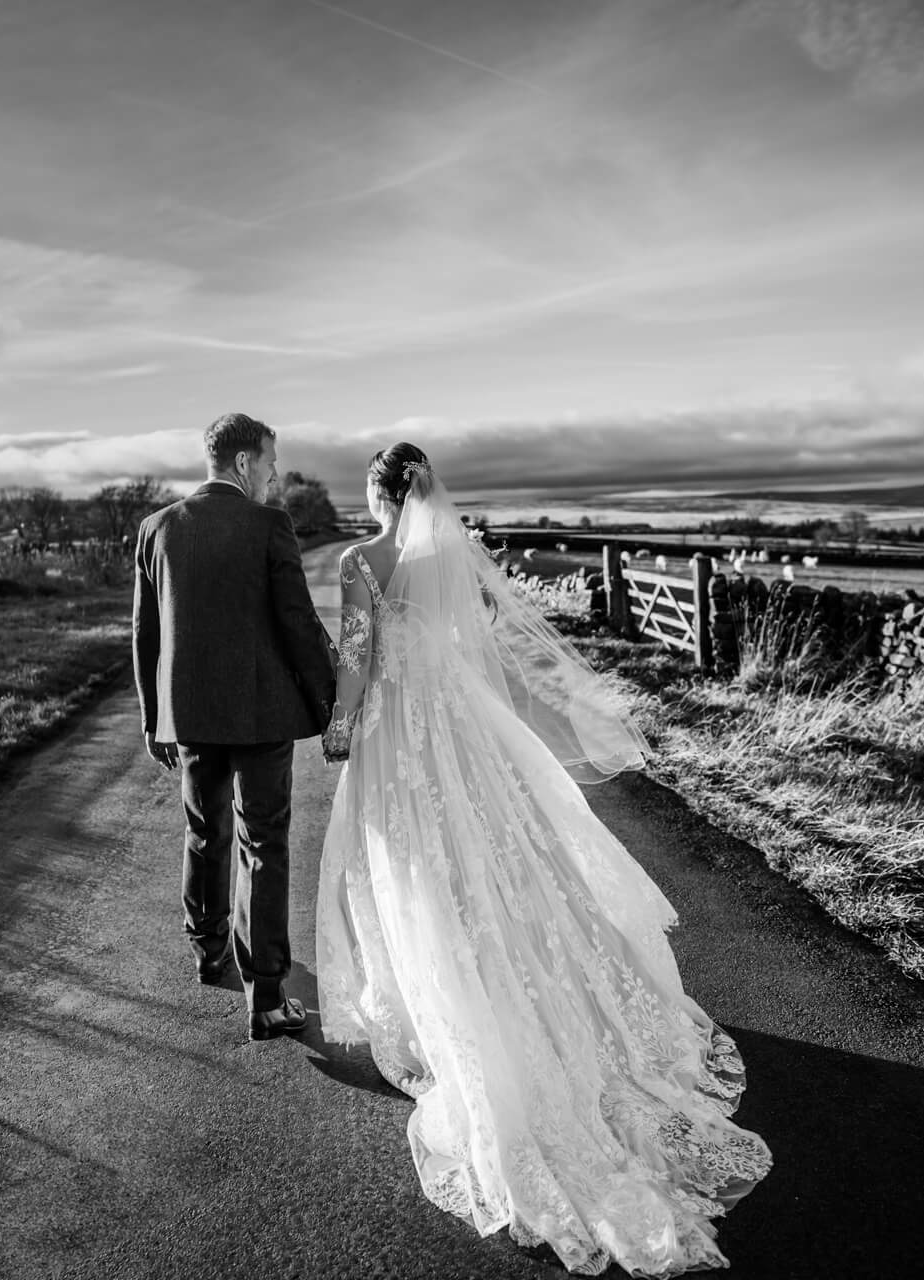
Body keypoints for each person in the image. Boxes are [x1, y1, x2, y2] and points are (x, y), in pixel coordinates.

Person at [317, 443, 771, 1275]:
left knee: (420, 874)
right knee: (495, 857)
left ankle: (449, 1005)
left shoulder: (362, 562)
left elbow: (356, 658)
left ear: (379, 495)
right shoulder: (449, 555)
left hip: (397, 736)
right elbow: (471, 640)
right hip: (457, 726)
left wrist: (341, 730)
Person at [132, 413, 338, 1040]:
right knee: (264, 844)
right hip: (262, 714)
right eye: (271, 463)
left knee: (203, 831)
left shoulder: (156, 528)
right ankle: (267, 995)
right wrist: (333, 705)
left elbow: (146, 635)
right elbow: (297, 623)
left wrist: (152, 717)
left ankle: (208, 949)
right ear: (245, 462)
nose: (275, 477)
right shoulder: (269, 525)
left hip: (189, 715)